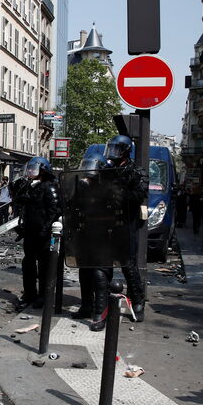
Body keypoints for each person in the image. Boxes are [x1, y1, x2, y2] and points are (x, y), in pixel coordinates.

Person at [89, 134, 148, 329]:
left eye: (116, 149)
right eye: (111, 149)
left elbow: (139, 195)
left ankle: (138, 303)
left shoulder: (136, 172)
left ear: (125, 151)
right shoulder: (105, 169)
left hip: (125, 225)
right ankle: (100, 311)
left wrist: (119, 191)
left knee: (128, 267)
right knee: (100, 270)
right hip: (103, 225)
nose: (112, 153)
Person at [69, 153, 115, 321]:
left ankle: (100, 313)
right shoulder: (82, 187)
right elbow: (73, 207)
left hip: (103, 238)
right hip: (85, 235)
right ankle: (87, 306)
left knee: (100, 274)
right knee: (85, 273)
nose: (89, 172)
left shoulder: (110, 188)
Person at [13, 155, 62, 309]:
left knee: (44, 267)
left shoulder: (50, 187)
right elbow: (18, 198)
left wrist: (46, 230)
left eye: (33, 169)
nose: (30, 172)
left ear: (43, 171)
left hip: (43, 234)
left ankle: (43, 296)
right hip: (30, 232)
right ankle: (29, 294)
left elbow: (54, 212)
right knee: (28, 265)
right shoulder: (31, 186)